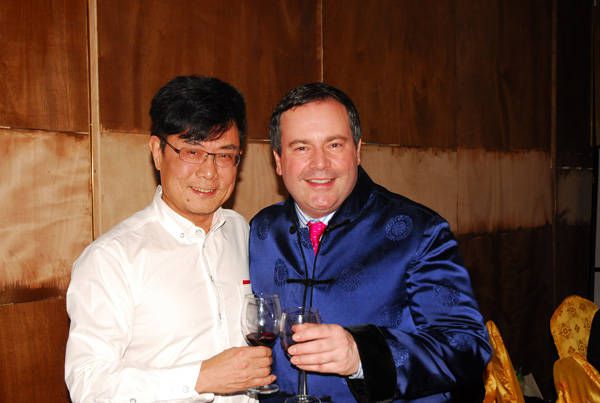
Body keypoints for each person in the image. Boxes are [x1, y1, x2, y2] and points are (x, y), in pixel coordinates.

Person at [249, 83, 492, 402]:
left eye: (334, 145)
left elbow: (467, 347)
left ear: (358, 150)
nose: (320, 163)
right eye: (301, 148)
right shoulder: (261, 230)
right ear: (278, 161)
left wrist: (362, 355)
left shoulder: (421, 232)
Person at [65, 75, 275, 403]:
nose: (209, 172)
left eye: (224, 155)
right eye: (192, 152)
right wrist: (199, 379)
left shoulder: (241, 232)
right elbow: (88, 386)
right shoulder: (112, 258)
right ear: (157, 152)